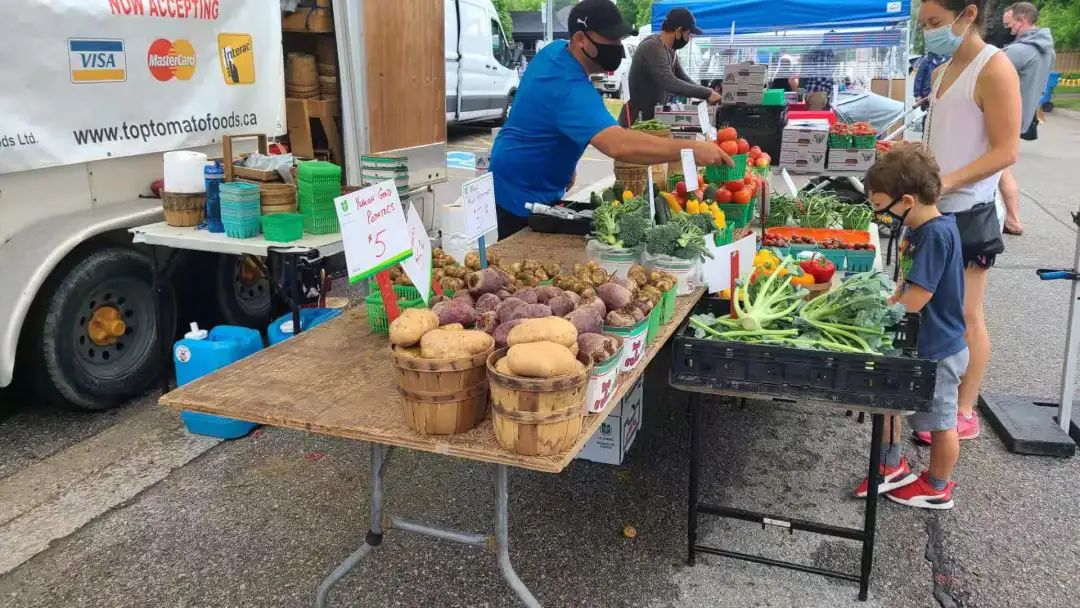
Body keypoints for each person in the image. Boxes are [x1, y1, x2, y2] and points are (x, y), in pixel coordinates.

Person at [489, 0, 733, 239]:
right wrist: (689, 149)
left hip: (531, 177)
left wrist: (565, 160)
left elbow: (537, 109)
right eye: (610, 39)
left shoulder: (555, 51)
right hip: (518, 192)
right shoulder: (569, 88)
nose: (617, 46)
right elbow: (619, 145)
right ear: (580, 40)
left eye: (619, 39)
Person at [917, 0, 1020, 443]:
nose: (930, 33)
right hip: (935, 212)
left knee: (965, 314)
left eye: (937, 23)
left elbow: (1005, 151)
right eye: (925, 25)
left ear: (968, 14)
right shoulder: (941, 72)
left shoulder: (994, 68)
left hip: (971, 212)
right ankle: (938, 401)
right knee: (934, 313)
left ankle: (964, 408)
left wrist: (946, 182)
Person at [856, 145, 968, 510]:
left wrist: (877, 319)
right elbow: (904, 286)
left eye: (879, 205)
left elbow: (917, 298)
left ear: (906, 200)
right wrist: (885, 303)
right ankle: (891, 465)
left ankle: (937, 486)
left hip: (939, 349)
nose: (877, 213)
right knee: (887, 399)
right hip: (917, 342)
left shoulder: (934, 235)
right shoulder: (917, 228)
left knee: (939, 421)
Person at [998, 2, 1055, 236]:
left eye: (1009, 24)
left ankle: (1012, 219)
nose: (1008, 29)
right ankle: (1011, 217)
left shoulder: (1022, 50)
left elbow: (987, 68)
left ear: (1022, 21)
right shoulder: (1045, 49)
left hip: (1005, 115)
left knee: (997, 167)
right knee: (1000, 166)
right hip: (1021, 114)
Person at [618, 8, 721, 127]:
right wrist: (707, 93)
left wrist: (709, 93)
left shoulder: (670, 50)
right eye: (688, 34)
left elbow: (682, 78)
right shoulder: (653, 47)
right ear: (678, 31)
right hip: (636, 120)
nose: (688, 38)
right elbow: (670, 82)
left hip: (650, 120)